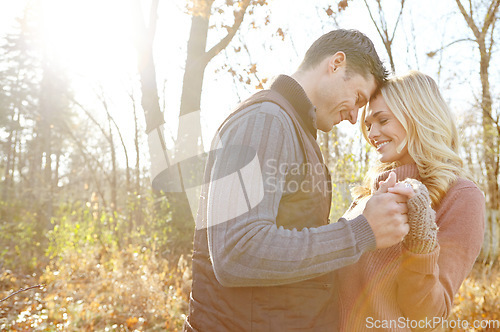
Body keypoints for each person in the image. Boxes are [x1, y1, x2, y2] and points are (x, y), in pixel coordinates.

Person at [184, 29, 412, 332]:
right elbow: (236, 251)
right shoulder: (265, 119)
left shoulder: (291, 127)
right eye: (357, 98)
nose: (355, 117)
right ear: (336, 63)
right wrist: (359, 232)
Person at [335, 70, 485, 331]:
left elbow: (429, 315)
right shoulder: (371, 192)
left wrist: (421, 240)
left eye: (382, 120)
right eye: (368, 125)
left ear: (418, 116)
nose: (372, 133)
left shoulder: (461, 196)